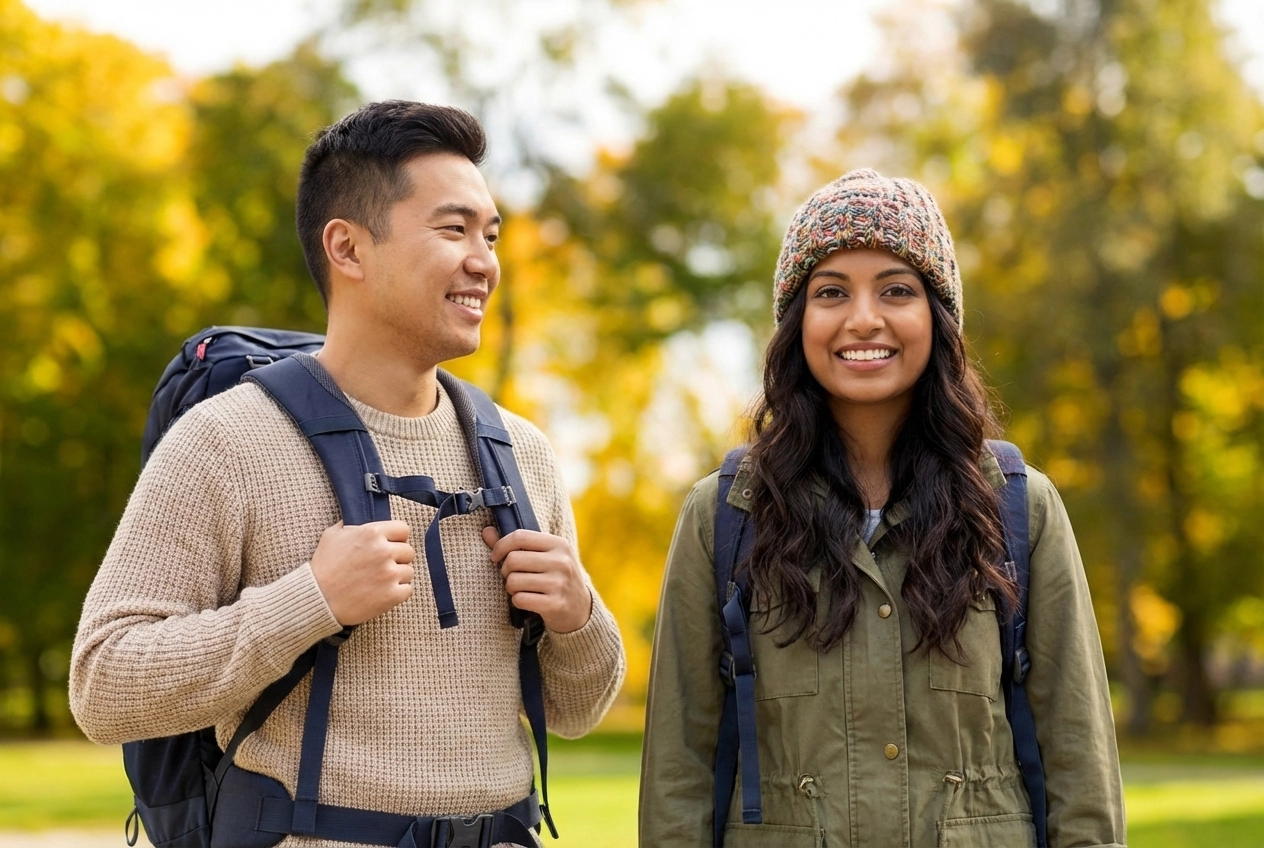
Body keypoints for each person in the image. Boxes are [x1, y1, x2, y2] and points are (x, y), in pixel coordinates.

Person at [70, 101, 625, 846]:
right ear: (348, 248)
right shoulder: (226, 441)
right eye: (454, 229)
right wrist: (309, 602)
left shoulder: (522, 454)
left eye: (490, 236)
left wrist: (577, 616)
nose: (485, 260)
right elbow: (104, 684)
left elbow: (577, 710)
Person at [639, 169, 1125, 847]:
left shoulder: (1018, 508)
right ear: (796, 323)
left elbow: (1080, 765)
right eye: (831, 292)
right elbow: (678, 775)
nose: (863, 318)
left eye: (896, 290)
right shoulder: (726, 514)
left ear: (938, 317)